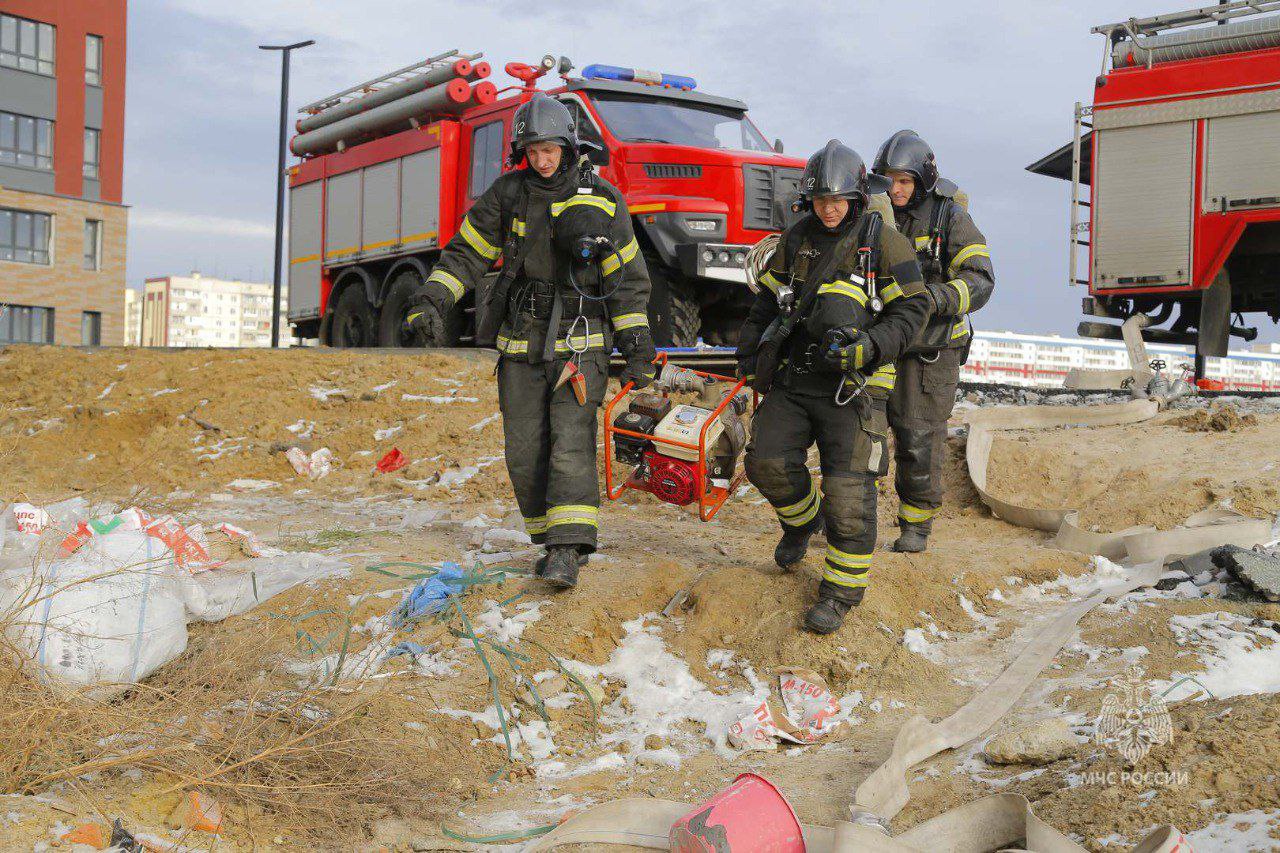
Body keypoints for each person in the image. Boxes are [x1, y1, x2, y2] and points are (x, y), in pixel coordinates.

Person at [406, 94, 656, 589]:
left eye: (550, 150)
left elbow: (627, 281)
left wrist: (638, 346)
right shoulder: (508, 194)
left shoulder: (603, 197)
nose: (542, 160)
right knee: (524, 451)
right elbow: (466, 255)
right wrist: (432, 299)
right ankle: (550, 539)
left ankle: (568, 546)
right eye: (534, 150)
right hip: (521, 340)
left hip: (580, 342)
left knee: (570, 443)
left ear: (569, 145)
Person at [737, 140, 930, 634]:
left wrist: (869, 347)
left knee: (849, 495)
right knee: (766, 464)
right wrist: (749, 354)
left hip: (854, 391)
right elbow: (767, 301)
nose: (829, 209)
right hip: (795, 380)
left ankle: (840, 594)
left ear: (858, 196)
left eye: (838, 200)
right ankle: (802, 522)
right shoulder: (797, 237)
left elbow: (913, 309)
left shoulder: (884, 242)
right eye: (822, 200)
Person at [872, 130, 995, 553]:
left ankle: (916, 526)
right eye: (888, 179)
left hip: (930, 351)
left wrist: (935, 299)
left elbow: (980, 280)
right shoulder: (872, 214)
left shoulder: (949, 218)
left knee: (918, 438)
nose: (896, 188)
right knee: (859, 438)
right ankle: (851, 521)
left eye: (904, 180)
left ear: (922, 179)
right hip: (879, 345)